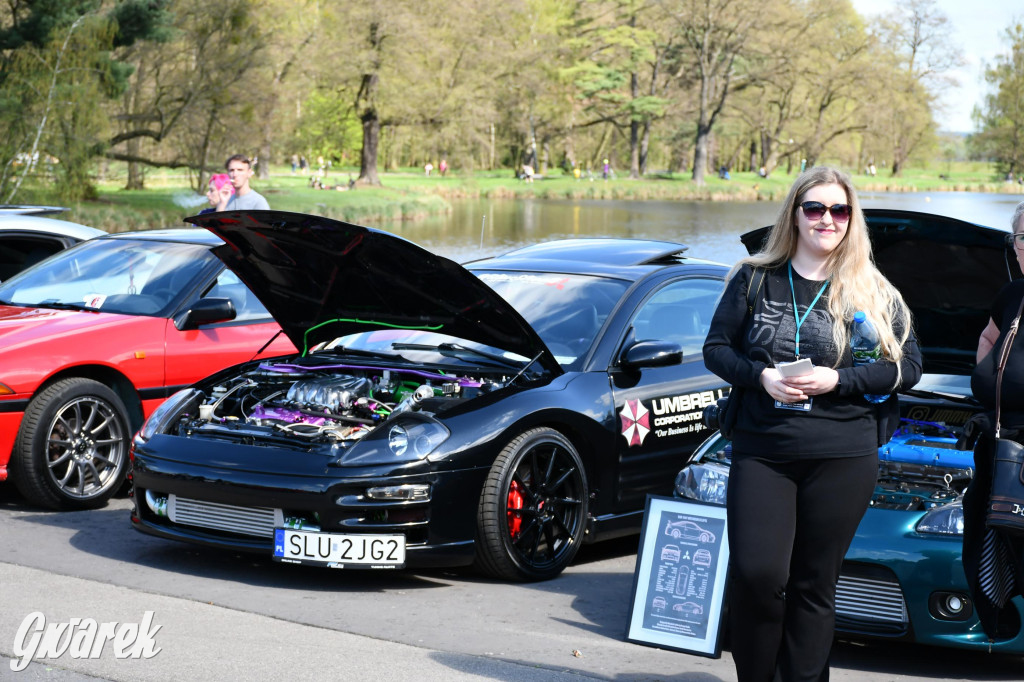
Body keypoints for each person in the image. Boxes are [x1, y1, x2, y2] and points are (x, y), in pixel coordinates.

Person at [702, 165, 922, 682]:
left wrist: (837, 380)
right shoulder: (754, 277)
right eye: (816, 208)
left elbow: (908, 368)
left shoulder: (873, 289)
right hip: (764, 450)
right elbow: (715, 350)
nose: (828, 219)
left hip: (843, 452)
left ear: (852, 219)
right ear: (795, 215)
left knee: (814, 584)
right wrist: (761, 377)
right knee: (759, 576)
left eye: (839, 209)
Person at [964, 200, 1024, 640]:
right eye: (1023, 238)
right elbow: (988, 335)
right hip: (1001, 456)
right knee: (990, 555)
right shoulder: (1011, 296)